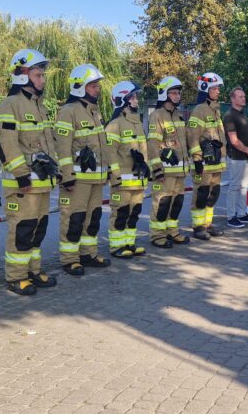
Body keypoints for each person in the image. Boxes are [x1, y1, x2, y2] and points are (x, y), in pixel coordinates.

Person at [0, 49, 60, 295]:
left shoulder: (39, 106)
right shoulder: (10, 105)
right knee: (21, 231)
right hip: (23, 184)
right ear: (22, 74)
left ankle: (33, 271)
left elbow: (49, 144)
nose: (43, 80)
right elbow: (5, 142)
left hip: (41, 183)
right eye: (38, 75)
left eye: (43, 75)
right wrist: (21, 174)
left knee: (37, 230)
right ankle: (16, 277)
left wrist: (57, 169)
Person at [54, 64, 112, 275]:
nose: (98, 89)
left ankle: (88, 254)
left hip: (95, 178)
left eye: (97, 85)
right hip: (77, 180)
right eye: (93, 85)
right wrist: (67, 176)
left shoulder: (94, 112)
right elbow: (62, 147)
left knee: (92, 218)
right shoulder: (68, 112)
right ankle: (70, 259)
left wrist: (106, 171)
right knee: (73, 219)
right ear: (80, 87)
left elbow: (102, 145)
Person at [145, 76, 193, 248]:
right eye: (173, 92)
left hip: (180, 171)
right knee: (162, 203)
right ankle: (157, 235)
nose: (177, 96)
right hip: (165, 172)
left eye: (178, 93)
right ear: (164, 94)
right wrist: (157, 169)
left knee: (177, 202)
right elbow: (152, 144)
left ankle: (172, 231)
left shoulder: (179, 115)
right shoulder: (157, 116)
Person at [105, 81, 150, 258]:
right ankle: (117, 247)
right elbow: (110, 154)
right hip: (122, 181)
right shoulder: (115, 125)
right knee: (120, 213)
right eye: (132, 97)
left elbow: (143, 150)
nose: (136, 100)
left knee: (134, 213)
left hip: (137, 179)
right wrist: (115, 177)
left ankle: (129, 243)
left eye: (136, 96)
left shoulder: (137, 123)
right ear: (123, 99)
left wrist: (147, 171)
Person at [187, 72, 227, 239]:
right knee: (202, 194)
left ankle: (208, 224)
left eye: (218, 88)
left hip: (216, 161)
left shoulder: (215, 110)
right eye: (215, 88)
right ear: (205, 89)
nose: (218, 92)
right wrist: (197, 159)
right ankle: (198, 227)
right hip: (203, 162)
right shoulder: (199, 110)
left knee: (213, 193)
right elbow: (193, 135)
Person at [223, 86, 248, 228]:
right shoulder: (229, 115)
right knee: (234, 186)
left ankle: (242, 214)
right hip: (236, 156)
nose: (244, 98)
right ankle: (231, 216)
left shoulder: (243, 115)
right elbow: (234, 140)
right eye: (240, 96)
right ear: (233, 99)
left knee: (244, 186)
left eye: (244, 96)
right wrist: (247, 150)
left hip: (246, 156)